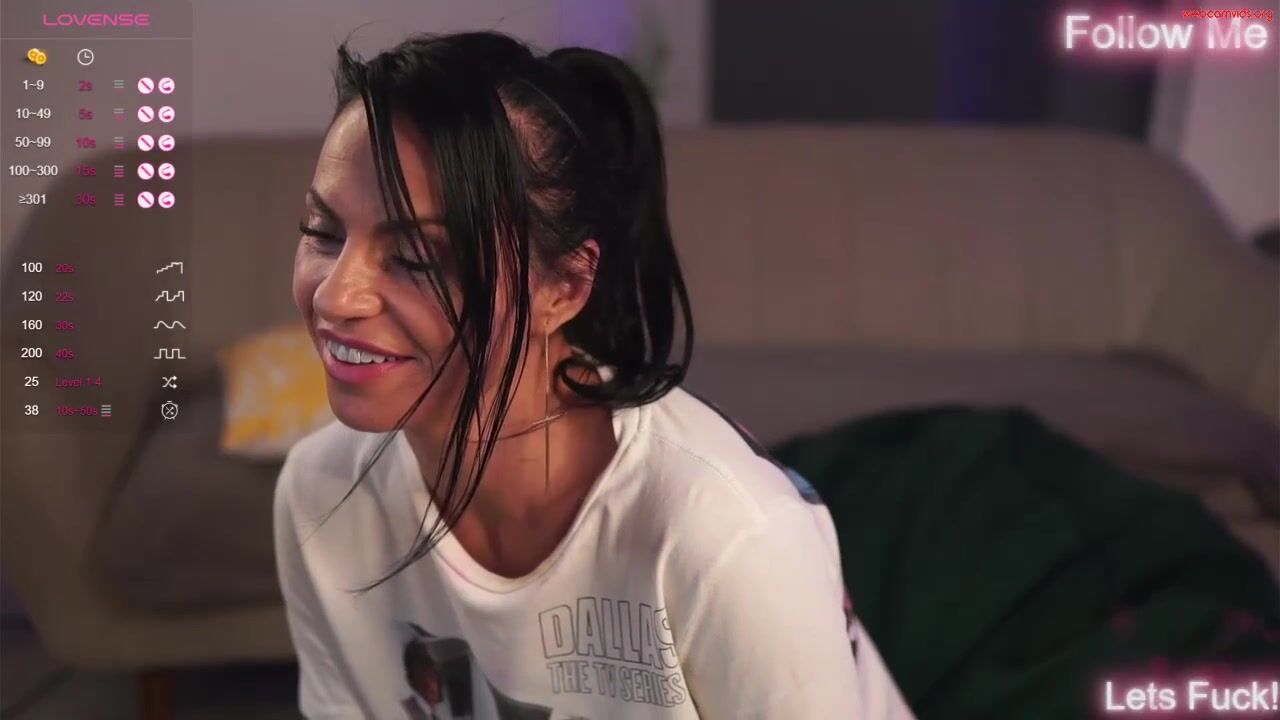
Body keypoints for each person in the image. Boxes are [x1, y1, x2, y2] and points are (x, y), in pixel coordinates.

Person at [274, 30, 916, 719]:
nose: (336, 296)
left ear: (565, 287)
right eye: (324, 233)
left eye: (418, 260)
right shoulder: (322, 493)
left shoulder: (728, 536)